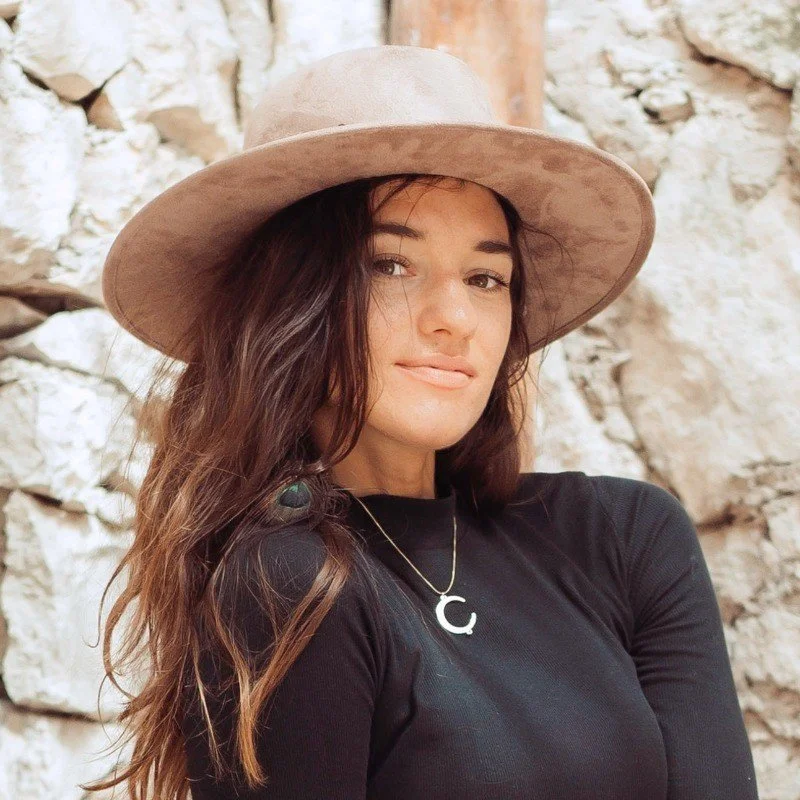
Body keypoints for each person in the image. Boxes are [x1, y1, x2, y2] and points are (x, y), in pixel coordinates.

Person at [85, 45, 759, 800]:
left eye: (485, 277)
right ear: (291, 301)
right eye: (390, 265)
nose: (454, 319)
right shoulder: (290, 586)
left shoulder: (626, 539)